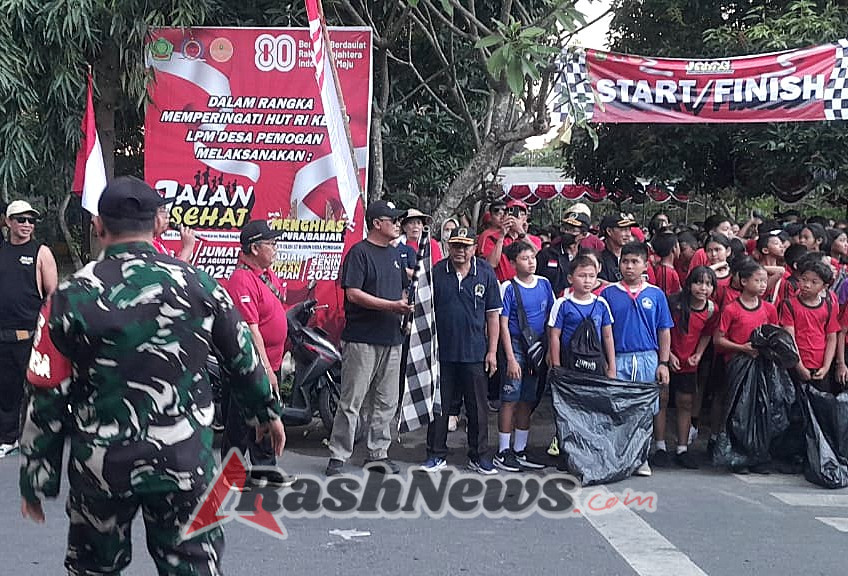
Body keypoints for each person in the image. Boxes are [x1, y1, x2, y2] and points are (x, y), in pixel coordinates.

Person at [19, 176, 284, 574]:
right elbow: (243, 359)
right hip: (186, 463)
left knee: (94, 569)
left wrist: (37, 478)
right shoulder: (200, 286)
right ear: (158, 223)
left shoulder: (69, 296)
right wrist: (267, 412)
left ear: (98, 226)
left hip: (102, 468)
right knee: (194, 568)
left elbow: (47, 393)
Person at [326, 200, 412, 476]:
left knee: (386, 400)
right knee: (352, 400)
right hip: (362, 338)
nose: (398, 224)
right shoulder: (359, 253)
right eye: (393, 220)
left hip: (392, 337)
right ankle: (338, 454)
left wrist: (406, 305)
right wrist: (392, 306)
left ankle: (378, 452)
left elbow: (402, 290)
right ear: (377, 223)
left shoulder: (397, 255)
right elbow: (353, 294)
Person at [421, 226, 501, 474]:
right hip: (442, 353)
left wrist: (492, 351)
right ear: (448, 247)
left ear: (474, 249)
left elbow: (493, 316)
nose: (460, 251)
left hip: (475, 352)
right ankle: (436, 454)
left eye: (465, 246)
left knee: (477, 408)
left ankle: (478, 456)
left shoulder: (485, 273)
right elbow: (424, 311)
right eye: (455, 245)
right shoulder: (437, 272)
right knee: (440, 406)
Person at [222, 220, 290, 487]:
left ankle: (264, 469)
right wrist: (266, 369)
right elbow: (252, 330)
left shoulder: (265, 275)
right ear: (254, 248)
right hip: (248, 366)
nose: (275, 249)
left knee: (261, 416)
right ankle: (233, 475)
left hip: (267, 362)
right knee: (241, 422)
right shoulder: (241, 280)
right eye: (271, 244)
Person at [600, 242, 673, 477]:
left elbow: (664, 330)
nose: (629, 266)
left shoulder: (656, 294)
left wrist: (663, 363)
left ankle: (641, 457)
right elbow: (603, 330)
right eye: (625, 261)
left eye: (634, 262)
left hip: (647, 359)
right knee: (617, 409)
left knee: (644, 410)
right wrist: (606, 361)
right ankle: (617, 457)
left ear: (645, 264)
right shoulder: (609, 294)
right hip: (619, 358)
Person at [0, 200, 57, 457]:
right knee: (7, 392)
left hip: (32, 336)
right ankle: (9, 438)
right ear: (8, 222)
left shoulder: (40, 252)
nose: (26, 225)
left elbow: (53, 296)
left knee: (39, 390)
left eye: (31, 220)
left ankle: (44, 440)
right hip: (4, 336)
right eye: (21, 219)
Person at [494, 241, 554, 472]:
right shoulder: (508, 288)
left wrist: (548, 350)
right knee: (510, 398)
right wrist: (509, 357)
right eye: (524, 258)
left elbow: (550, 318)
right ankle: (503, 450)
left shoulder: (545, 284)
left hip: (536, 349)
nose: (530, 262)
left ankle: (520, 449)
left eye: (532, 257)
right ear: (512, 263)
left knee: (527, 399)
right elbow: (503, 325)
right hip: (517, 347)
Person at [713, 259, 777, 463]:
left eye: (764, 281)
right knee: (738, 410)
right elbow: (718, 339)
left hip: (761, 366)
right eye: (757, 280)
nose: (762, 285)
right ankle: (737, 456)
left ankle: (757, 455)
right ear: (743, 281)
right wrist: (742, 348)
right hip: (737, 365)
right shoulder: (732, 309)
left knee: (760, 409)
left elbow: (775, 335)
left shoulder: (769, 309)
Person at [665, 266, 718, 469]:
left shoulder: (712, 309)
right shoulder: (674, 303)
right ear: (689, 284)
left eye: (708, 284)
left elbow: (707, 333)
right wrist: (667, 354)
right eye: (698, 282)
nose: (703, 288)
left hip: (689, 362)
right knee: (661, 400)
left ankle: (682, 448)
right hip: (667, 357)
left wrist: (699, 353)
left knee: (685, 402)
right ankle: (660, 446)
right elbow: (662, 328)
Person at [779, 256, 841, 394]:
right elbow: (790, 339)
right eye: (804, 279)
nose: (806, 285)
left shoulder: (829, 306)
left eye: (814, 282)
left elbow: (831, 337)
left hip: (820, 366)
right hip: (796, 365)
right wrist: (799, 366)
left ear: (824, 286)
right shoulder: (789, 304)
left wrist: (826, 367)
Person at [478, 199, 542, 282]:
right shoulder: (492, 237)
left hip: (525, 286)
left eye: (520, 214)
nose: (514, 218)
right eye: (510, 213)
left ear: (525, 218)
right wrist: (501, 236)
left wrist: (521, 232)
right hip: (502, 286)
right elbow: (491, 264)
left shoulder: (534, 240)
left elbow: (538, 257)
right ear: (504, 216)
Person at [535, 213, 582, 296]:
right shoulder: (546, 254)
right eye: (564, 228)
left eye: (572, 230)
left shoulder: (586, 257)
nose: (566, 232)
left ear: (583, 234)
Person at [598, 213, 636, 283]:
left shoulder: (636, 257)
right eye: (623, 229)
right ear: (609, 231)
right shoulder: (599, 260)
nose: (628, 234)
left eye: (629, 229)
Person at [650, 232, 681, 297]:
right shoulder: (666, 272)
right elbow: (664, 295)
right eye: (678, 245)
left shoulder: (665, 269)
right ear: (674, 248)